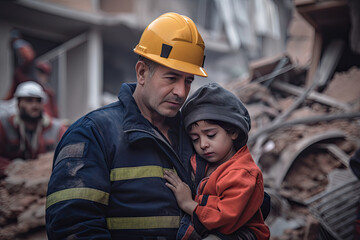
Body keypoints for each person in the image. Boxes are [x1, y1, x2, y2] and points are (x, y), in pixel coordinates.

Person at [45, 12, 208, 239]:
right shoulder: (92, 133)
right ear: (142, 73)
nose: (181, 92)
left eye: (188, 81)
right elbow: (73, 227)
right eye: (171, 78)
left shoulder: (196, 135)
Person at [164, 83, 270, 240]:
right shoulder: (204, 163)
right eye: (195, 139)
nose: (203, 144)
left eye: (211, 135)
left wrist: (188, 203)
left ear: (233, 131)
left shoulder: (241, 173)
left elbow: (225, 219)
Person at [0, 81, 67, 178]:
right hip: (10, 184)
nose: (34, 105)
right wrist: (10, 167)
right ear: (18, 103)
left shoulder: (57, 129)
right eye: (29, 100)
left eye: (38, 101)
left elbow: (70, 157)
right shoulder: (5, 125)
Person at [5, 29, 37, 100]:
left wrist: (24, 64)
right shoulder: (18, 45)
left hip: (26, 74)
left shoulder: (19, 44)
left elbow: (29, 57)